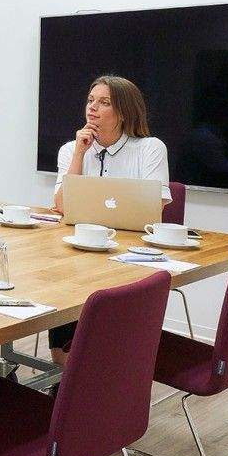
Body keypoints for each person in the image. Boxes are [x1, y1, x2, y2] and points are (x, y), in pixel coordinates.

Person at [48, 74, 169, 366]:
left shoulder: (150, 148)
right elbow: (62, 205)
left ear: (124, 111)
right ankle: (64, 371)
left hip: (127, 255)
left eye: (104, 103)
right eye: (91, 100)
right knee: (61, 278)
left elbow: (155, 207)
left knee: (88, 287)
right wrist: (80, 153)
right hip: (79, 250)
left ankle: (100, 370)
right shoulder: (71, 149)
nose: (92, 108)